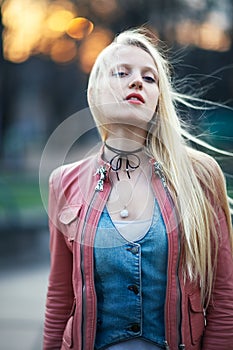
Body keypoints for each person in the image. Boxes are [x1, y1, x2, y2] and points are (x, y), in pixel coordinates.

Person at [43, 28, 233, 350]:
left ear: (158, 99)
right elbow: (60, 297)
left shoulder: (200, 175)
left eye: (150, 78)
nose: (137, 82)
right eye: (122, 72)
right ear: (96, 91)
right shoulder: (64, 182)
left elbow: (224, 297)